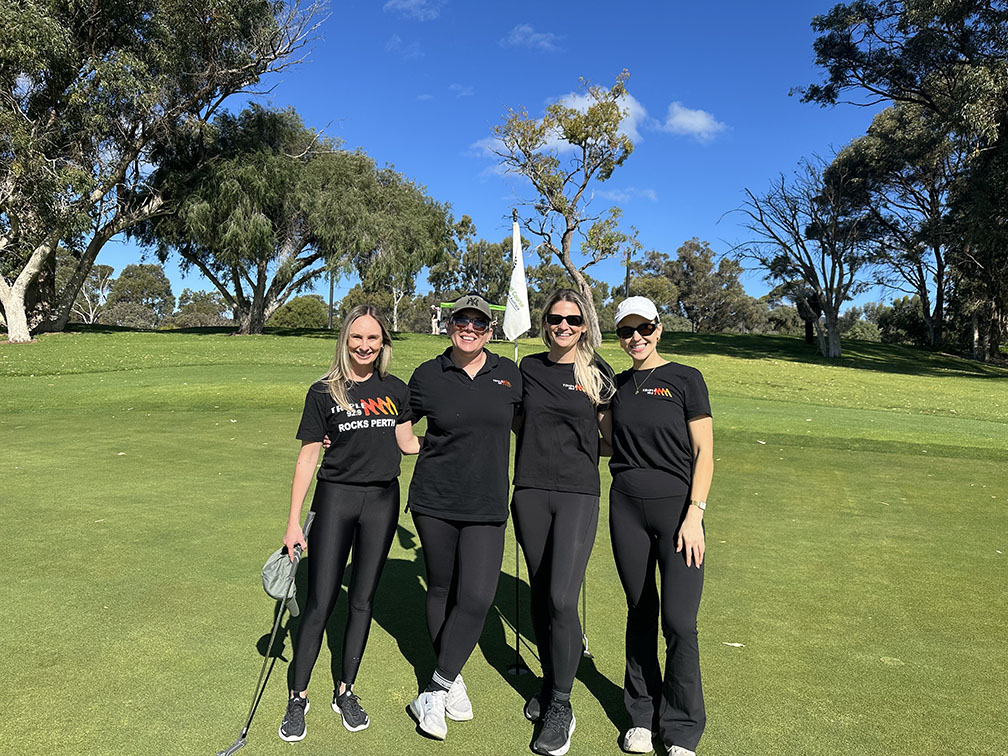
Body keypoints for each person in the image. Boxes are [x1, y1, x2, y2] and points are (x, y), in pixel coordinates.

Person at [278, 305, 419, 743]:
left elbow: (407, 443)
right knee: (321, 601)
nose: (364, 345)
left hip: (382, 502)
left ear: (384, 344)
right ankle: (298, 696)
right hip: (335, 499)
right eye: (357, 337)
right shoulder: (324, 392)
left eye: (373, 338)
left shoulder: (395, 389)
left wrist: (458, 436)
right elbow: (307, 458)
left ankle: (346, 691)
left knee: (362, 601)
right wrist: (293, 522)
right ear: (345, 341)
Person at [599, 296, 714, 756]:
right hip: (626, 507)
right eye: (627, 331)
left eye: (644, 328)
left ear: (658, 329)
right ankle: (642, 716)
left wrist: (695, 514)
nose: (636, 338)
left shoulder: (686, 378)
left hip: (678, 513)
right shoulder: (616, 384)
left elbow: (704, 452)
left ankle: (682, 728)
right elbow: (608, 443)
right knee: (641, 611)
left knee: (680, 622)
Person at [405, 292, 522, 741]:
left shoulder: (509, 374)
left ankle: (435, 688)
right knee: (441, 588)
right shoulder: (427, 374)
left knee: (476, 597)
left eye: (479, 322)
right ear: (449, 325)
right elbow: (402, 428)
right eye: (462, 321)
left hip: (487, 503)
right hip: (434, 500)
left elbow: (533, 424)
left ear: (490, 330)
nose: (469, 328)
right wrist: (421, 446)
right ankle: (450, 679)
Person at [511, 289, 614, 756]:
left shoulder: (597, 372)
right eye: (555, 318)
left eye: (572, 319)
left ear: (584, 325)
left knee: (561, 598)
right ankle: (550, 681)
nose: (563, 326)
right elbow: (512, 421)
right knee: (540, 594)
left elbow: (612, 440)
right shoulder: (527, 369)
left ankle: (562, 705)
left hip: (577, 493)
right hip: (530, 491)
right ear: (545, 322)